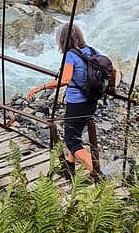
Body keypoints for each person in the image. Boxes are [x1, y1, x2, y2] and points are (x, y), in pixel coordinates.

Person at [27, 24, 99, 177]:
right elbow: (111, 69)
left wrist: (42, 87)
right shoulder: (91, 50)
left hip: (77, 104)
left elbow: (65, 79)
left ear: (62, 40)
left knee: (72, 142)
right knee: (75, 135)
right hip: (92, 101)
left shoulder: (70, 55)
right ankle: (70, 167)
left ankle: (99, 175)